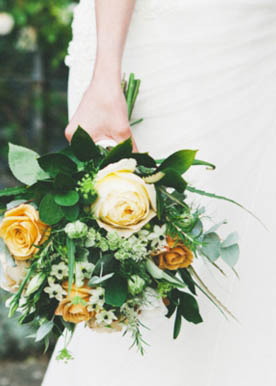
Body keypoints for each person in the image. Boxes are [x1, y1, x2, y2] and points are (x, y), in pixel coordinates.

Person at [42, 1, 276, 385]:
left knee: (256, 264)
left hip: (257, 47)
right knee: (159, 266)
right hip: (166, 49)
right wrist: (105, 74)